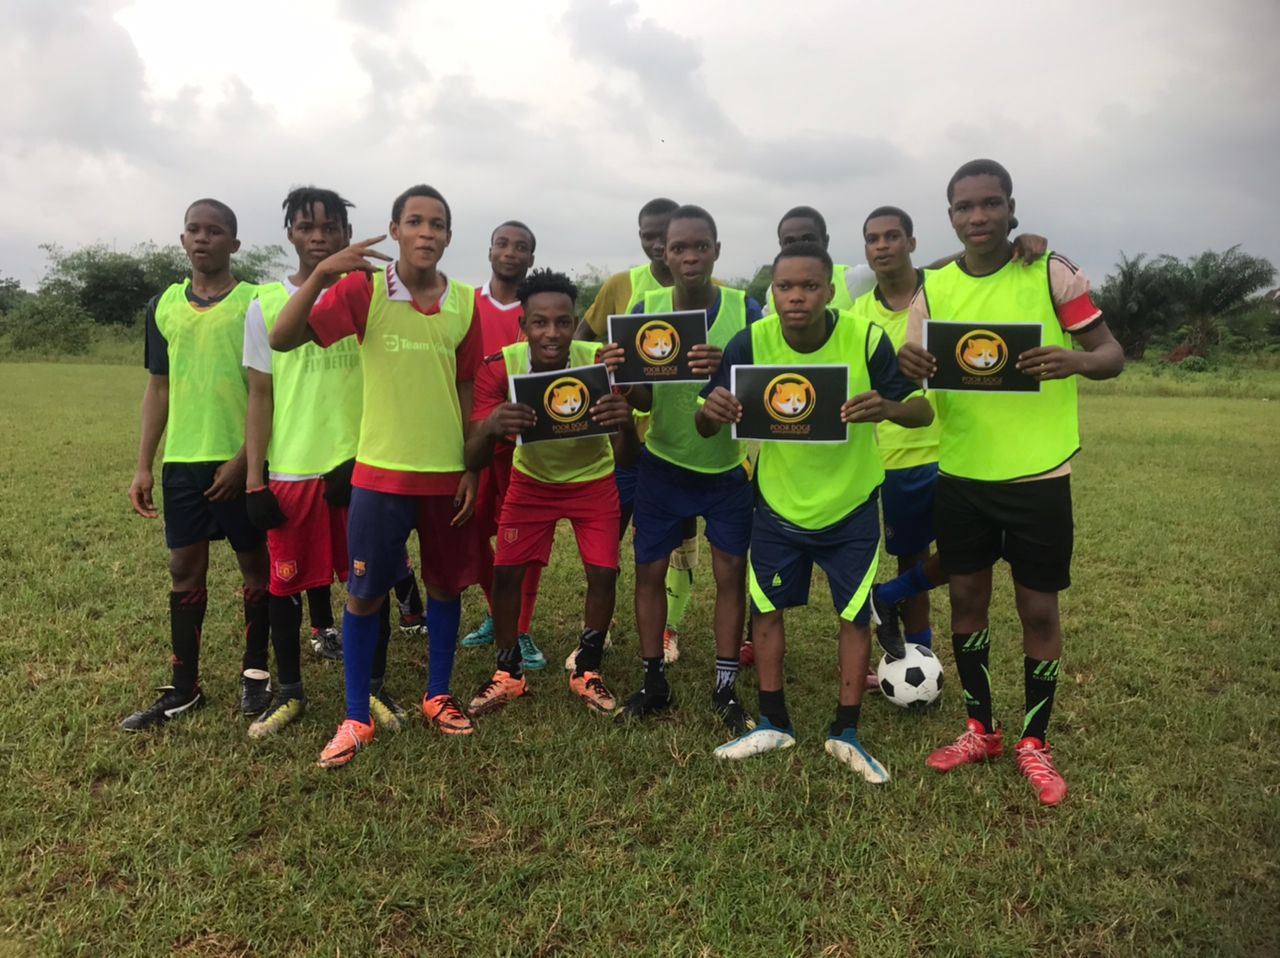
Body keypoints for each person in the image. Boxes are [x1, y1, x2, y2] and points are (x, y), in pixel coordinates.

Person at [897, 159, 1124, 805]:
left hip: (1039, 474)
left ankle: (1034, 741)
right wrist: (910, 364)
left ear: (1010, 208)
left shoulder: (1051, 272)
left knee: (1038, 609)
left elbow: (1111, 355)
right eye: (965, 207)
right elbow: (915, 374)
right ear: (950, 217)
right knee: (966, 601)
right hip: (962, 473)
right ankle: (981, 729)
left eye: (990, 203)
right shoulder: (933, 290)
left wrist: (1075, 359)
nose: (978, 216)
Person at [269, 183, 489, 768]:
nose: (425, 232)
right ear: (394, 231)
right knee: (364, 594)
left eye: (437, 224)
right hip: (380, 476)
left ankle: (438, 695)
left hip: (445, 476)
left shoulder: (465, 302)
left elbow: (468, 386)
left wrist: (471, 465)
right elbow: (282, 338)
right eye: (414, 221)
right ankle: (355, 717)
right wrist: (323, 274)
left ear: (448, 236)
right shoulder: (364, 289)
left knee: (444, 587)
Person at [697, 241, 933, 778]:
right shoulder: (751, 341)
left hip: (850, 505)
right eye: (785, 287)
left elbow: (921, 411)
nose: (796, 296)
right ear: (772, 293)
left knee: (854, 616)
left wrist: (886, 406)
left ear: (829, 290)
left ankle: (845, 732)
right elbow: (705, 422)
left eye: (809, 286)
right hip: (778, 505)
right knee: (766, 612)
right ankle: (772, 723)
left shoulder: (865, 338)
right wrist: (712, 410)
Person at [241, 186, 417, 739]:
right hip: (294, 469)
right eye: (306, 227)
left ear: (347, 234)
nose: (318, 237)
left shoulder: (374, 294)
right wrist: (255, 479)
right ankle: (290, 692)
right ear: (290, 234)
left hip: (363, 467)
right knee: (284, 586)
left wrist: (365, 455)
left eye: (330, 227)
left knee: (371, 582)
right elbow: (261, 395)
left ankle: (374, 687)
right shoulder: (264, 303)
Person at [858, 208, 1047, 662]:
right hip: (897, 455)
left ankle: (890, 594)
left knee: (977, 549)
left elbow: (973, 262)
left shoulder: (942, 288)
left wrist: (1020, 243)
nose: (883, 246)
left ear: (912, 243)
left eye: (893, 236)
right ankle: (916, 659)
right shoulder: (858, 312)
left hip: (959, 448)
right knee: (912, 554)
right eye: (873, 239)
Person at [122, 199, 271, 730]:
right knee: (183, 568)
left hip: (240, 463)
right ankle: (184, 687)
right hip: (182, 463)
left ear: (235, 243)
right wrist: (144, 464)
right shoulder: (162, 305)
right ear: (183, 240)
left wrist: (246, 460)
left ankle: (256, 675)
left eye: (215, 231)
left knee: (256, 566)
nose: (202, 238)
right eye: (194, 230)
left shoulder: (256, 302)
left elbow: (268, 390)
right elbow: (158, 387)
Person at [465, 269, 639, 717]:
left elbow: (628, 458)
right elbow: (472, 455)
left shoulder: (598, 361)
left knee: (603, 574)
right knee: (507, 574)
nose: (552, 333)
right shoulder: (500, 366)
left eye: (562, 322)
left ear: (575, 322)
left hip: (593, 480)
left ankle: (587, 668)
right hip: (531, 482)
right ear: (523, 324)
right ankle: (508, 672)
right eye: (540, 322)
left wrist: (624, 423)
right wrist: (492, 426)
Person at [614, 205, 759, 735]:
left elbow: (766, 385)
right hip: (663, 463)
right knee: (649, 573)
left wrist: (728, 369)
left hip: (726, 470)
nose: (690, 256)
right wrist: (623, 378)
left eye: (701, 246)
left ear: (717, 250)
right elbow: (643, 395)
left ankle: (725, 686)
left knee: (729, 575)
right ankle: (654, 680)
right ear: (664, 253)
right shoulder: (647, 308)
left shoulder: (745, 309)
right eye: (679, 247)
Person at [575, 198, 702, 666]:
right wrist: (600, 373)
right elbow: (583, 338)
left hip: (682, 441)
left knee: (681, 538)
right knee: (609, 533)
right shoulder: (621, 286)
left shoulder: (710, 292)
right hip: (627, 438)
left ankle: (670, 628)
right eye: (648, 235)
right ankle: (597, 629)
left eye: (664, 235)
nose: (657, 244)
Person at [460, 220, 547, 671]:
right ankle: (500, 612)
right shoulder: (466, 304)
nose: (510, 252)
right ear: (490, 251)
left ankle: (521, 628)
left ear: (531, 257)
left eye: (521, 247)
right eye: (502, 244)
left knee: (525, 537)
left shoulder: (539, 311)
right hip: (477, 440)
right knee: (469, 528)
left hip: (526, 443)